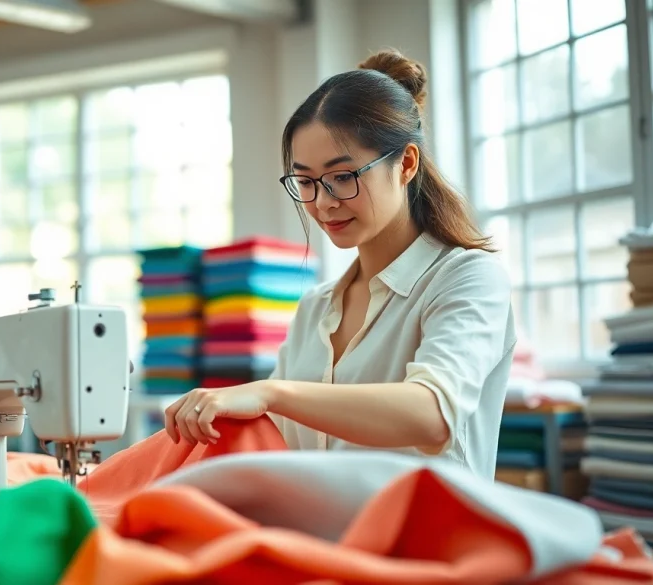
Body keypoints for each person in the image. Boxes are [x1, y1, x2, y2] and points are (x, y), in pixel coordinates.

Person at [163, 50, 516, 480]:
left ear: (406, 163)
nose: (323, 203)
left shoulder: (467, 278)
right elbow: (276, 446)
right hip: (330, 540)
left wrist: (272, 393)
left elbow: (431, 413)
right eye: (306, 181)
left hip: (433, 542)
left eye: (343, 176)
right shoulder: (316, 307)